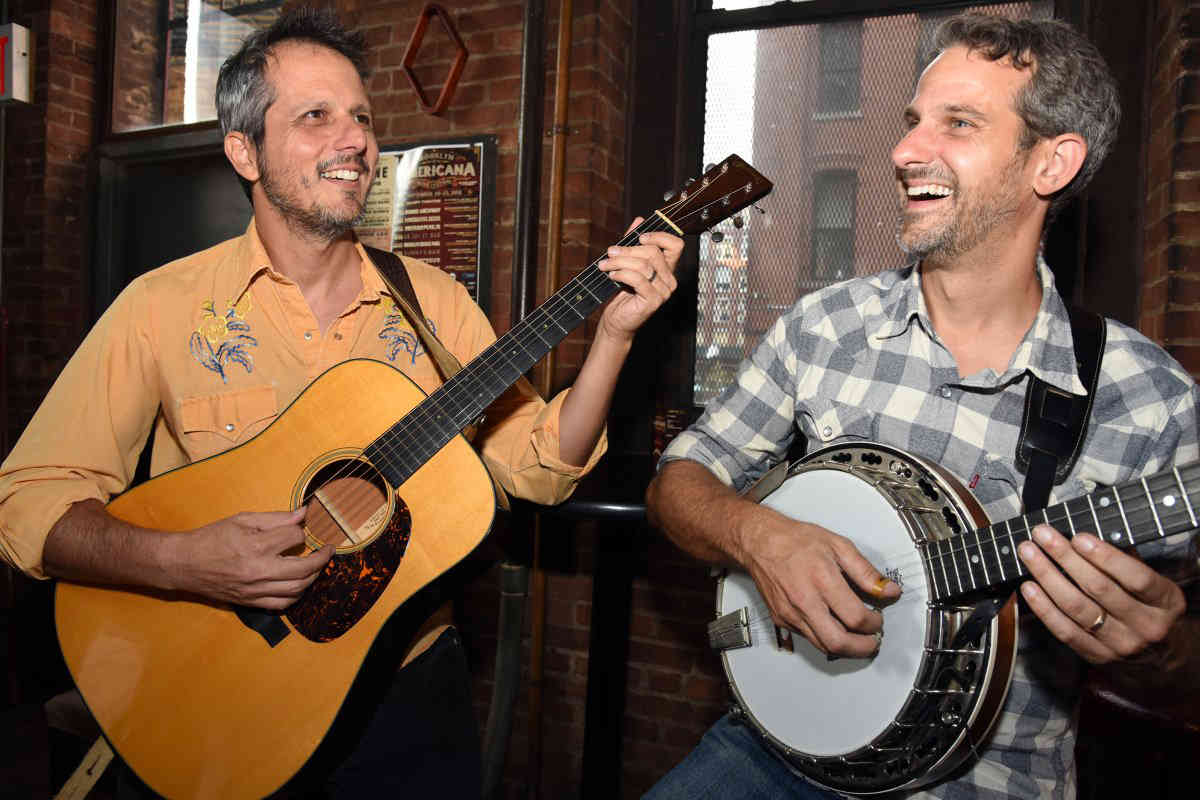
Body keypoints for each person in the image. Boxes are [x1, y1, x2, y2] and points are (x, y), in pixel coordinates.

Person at [0, 7, 682, 797]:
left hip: (407, 699)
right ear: (243, 151)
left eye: (360, 115)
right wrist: (185, 562)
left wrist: (614, 339)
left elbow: (539, 469)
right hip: (216, 690)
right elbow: (26, 502)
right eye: (315, 116)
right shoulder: (159, 308)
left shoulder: (433, 305)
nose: (354, 139)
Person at [645, 13, 1199, 800]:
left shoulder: (1150, 401)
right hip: (775, 754)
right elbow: (679, 480)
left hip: (990, 783)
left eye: (959, 124)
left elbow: (1185, 663)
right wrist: (758, 535)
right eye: (912, 122)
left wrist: (1161, 650)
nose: (905, 152)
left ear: (1052, 162)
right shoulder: (824, 326)